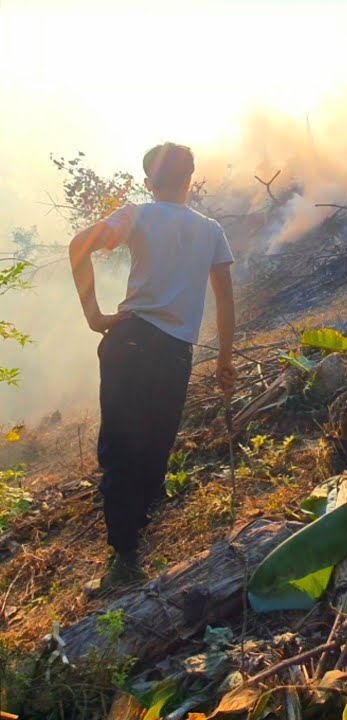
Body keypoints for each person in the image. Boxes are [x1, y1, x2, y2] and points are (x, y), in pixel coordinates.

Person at [68, 142, 236, 593]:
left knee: (120, 450)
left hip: (130, 341)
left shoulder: (136, 214)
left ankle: (125, 559)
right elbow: (224, 298)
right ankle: (129, 551)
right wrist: (223, 359)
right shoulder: (211, 231)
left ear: (149, 182)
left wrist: (94, 316)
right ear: (190, 180)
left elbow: (77, 247)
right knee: (153, 447)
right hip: (174, 354)